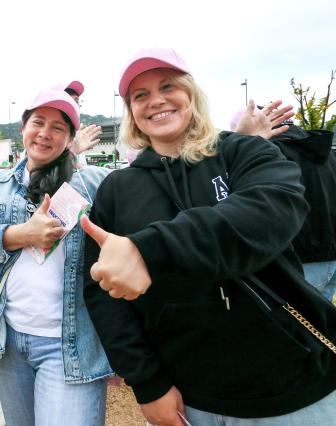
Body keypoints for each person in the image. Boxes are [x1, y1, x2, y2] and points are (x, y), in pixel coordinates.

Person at [81, 47, 336, 426]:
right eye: (140, 95)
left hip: (292, 390)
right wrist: (147, 384)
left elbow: (272, 211)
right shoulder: (117, 190)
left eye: (168, 86)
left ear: (191, 94)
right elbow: (104, 296)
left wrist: (147, 250)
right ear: (131, 112)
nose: (156, 101)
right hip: (190, 401)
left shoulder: (243, 152)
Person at [0, 89, 112, 425]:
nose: (45, 133)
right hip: (10, 342)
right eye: (38, 122)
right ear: (23, 128)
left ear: (69, 139)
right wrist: (18, 235)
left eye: (58, 128)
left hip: (71, 344)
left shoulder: (92, 185)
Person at [231, 109, 336, 303]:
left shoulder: (269, 152)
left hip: (299, 257)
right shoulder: (324, 150)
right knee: (322, 327)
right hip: (331, 253)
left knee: (296, 328)